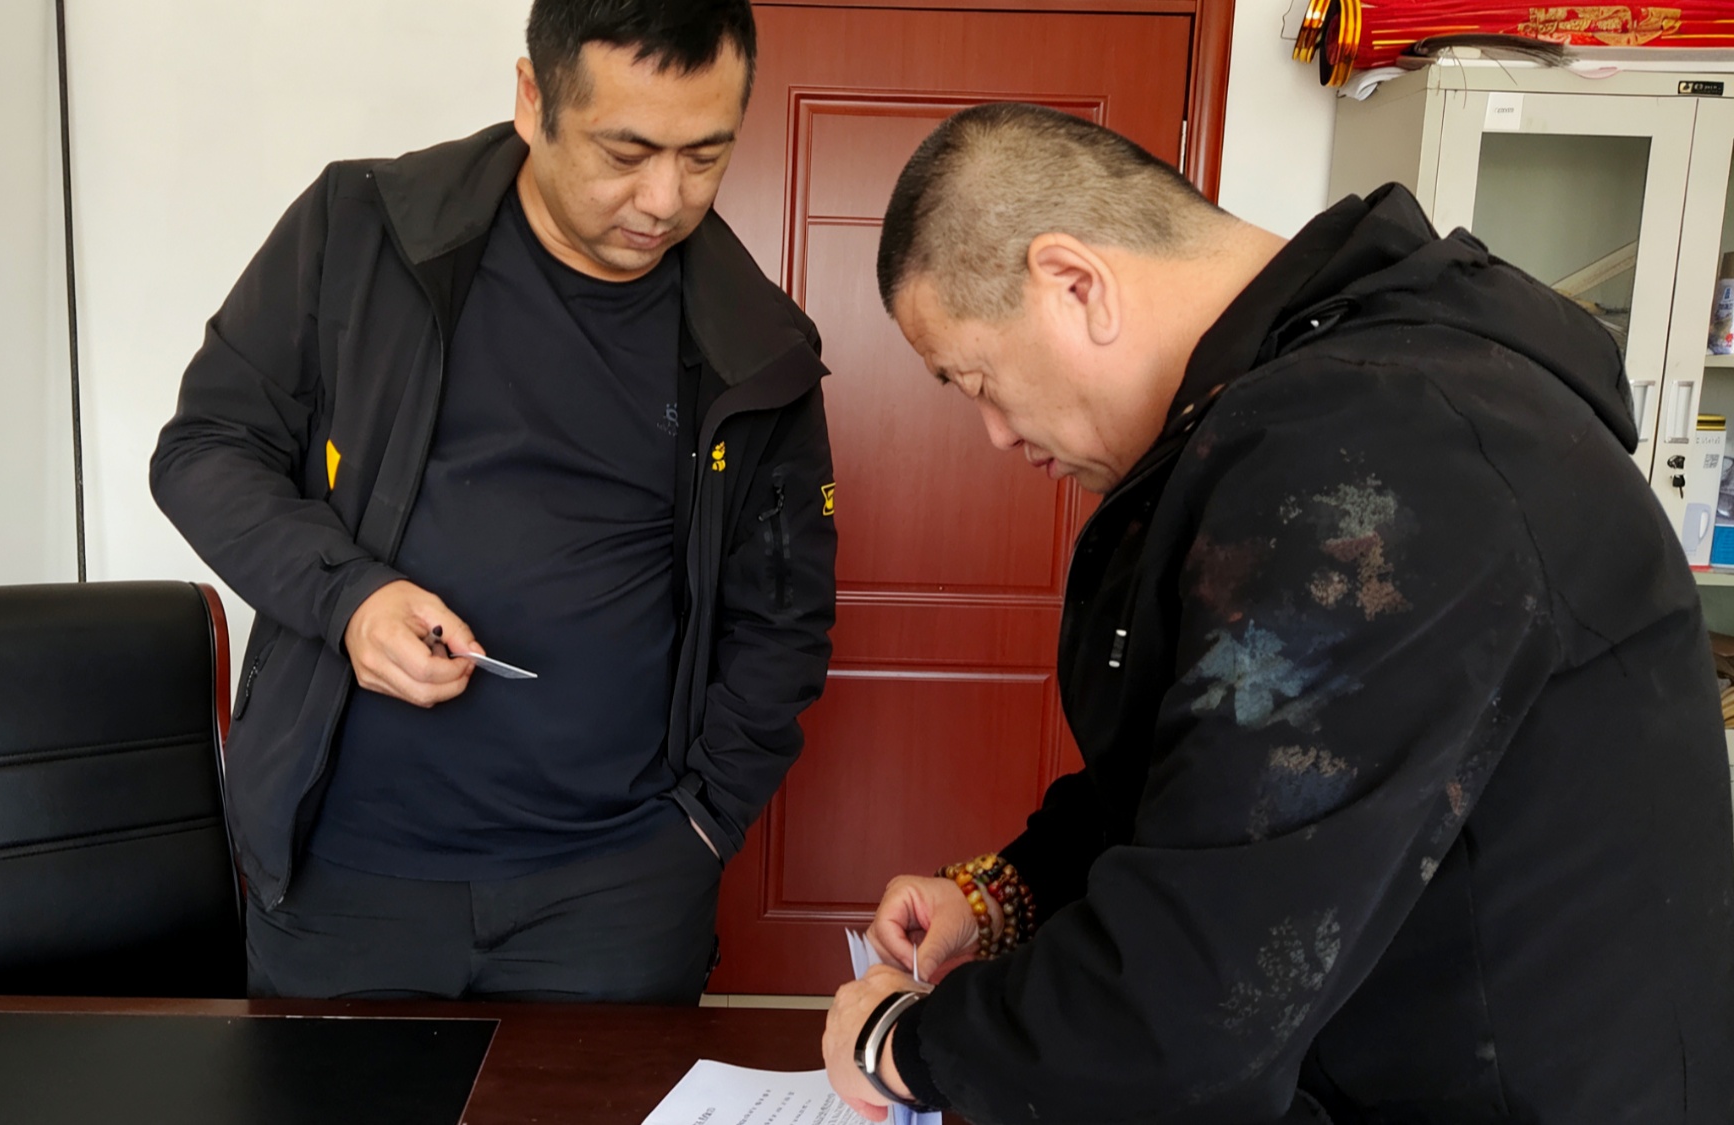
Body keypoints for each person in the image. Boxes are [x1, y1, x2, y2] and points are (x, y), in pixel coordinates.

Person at [823, 102, 1734, 1123]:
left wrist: (902, 1043)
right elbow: (1224, 770)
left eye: (975, 380)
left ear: (1074, 283)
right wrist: (1005, 890)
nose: (993, 433)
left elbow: (1191, 1004)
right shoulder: (1314, 403)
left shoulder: (1381, 451)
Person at [150, 0, 836, 1004]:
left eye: (705, 156)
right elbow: (205, 448)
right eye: (626, 151)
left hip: (619, 895)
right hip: (347, 873)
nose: (663, 199)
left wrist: (700, 826)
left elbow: (784, 618)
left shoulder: (760, 348)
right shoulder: (360, 232)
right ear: (532, 98)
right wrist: (349, 598)